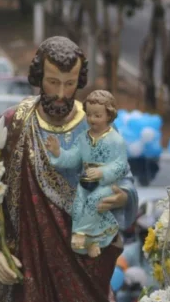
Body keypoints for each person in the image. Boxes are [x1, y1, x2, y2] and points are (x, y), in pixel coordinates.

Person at [0, 36, 138, 302]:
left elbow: (124, 183)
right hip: (24, 284)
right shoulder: (14, 125)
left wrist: (122, 198)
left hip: (81, 277)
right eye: (53, 82)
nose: (61, 93)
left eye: (70, 83)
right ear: (38, 77)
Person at [46, 90, 128, 258]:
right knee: (77, 207)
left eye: (97, 116)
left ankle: (82, 237)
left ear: (109, 115)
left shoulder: (115, 140)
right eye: (89, 115)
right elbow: (72, 158)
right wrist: (58, 152)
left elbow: (121, 165)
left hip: (106, 185)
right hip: (86, 182)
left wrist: (102, 172)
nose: (92, 119)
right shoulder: (83, 138)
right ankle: (92, 241)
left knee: (93, 202)